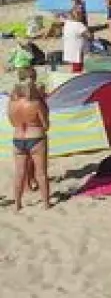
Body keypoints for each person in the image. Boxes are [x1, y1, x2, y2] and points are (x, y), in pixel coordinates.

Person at [8, 72, 50, 211]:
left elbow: (13, 123)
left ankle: (17, 204)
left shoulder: (11, 103)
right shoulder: (36, 103)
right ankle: (46, 204)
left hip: (18, 138)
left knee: (19, 173)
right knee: (41, 173)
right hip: (36, 137)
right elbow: (46, 125)